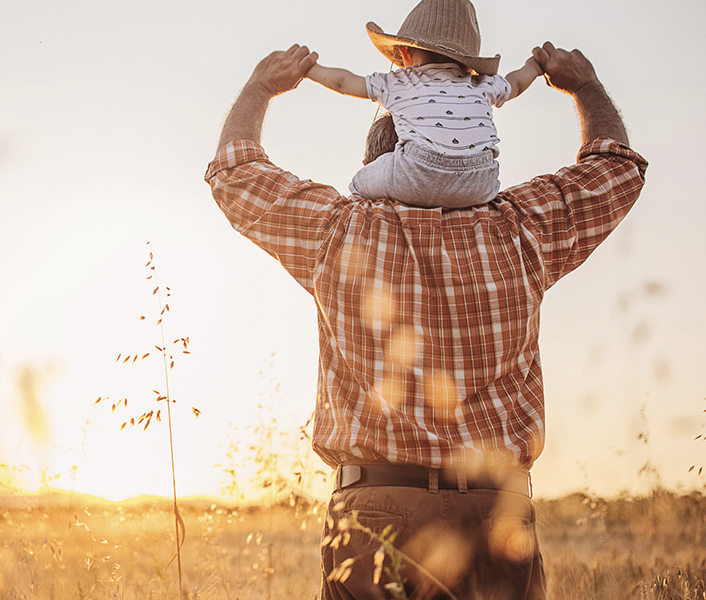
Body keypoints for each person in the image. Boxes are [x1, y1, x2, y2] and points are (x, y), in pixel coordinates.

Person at [204, 36, 646, 600]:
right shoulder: (522, 231)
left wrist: (259, 89)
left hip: (373, 510)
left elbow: (235, 172)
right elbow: (615, 169)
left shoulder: (338, 232)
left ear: (379, 164)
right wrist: (584, 86)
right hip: (495, 515)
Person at [306, 0, 543, 208]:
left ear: (406, 54)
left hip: (415, 173)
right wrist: (535, 66)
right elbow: (517, 83)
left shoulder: (399, 81)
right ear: (467, 64)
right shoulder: (481, 83)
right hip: (480, 181)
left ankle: (366, 221)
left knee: (359, 183)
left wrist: (309, 70)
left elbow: (343, 82)